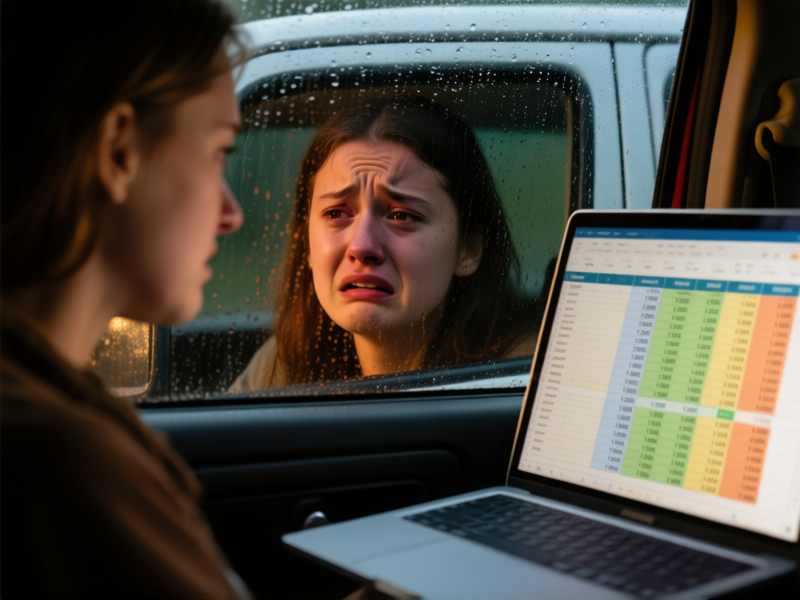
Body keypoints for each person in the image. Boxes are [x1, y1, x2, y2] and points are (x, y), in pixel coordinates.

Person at [0, 2, 388, 598]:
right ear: (119, 152)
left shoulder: (47, 413)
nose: (232, 214)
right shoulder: (63, 460)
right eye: (217, 153)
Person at [232, 99, 539, 391]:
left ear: (468, 250)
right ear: (308, 244)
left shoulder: (522, 379)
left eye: (401, 215)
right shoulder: (283, 363)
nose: (361, 246)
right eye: (336, 213)